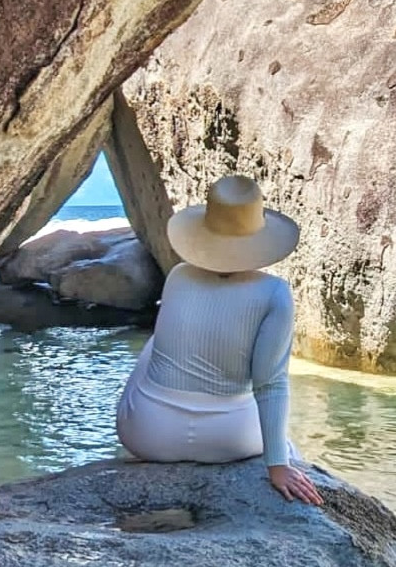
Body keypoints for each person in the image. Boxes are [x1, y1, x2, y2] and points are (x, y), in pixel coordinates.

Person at [116, 174, 323, 506]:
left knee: (153, 345)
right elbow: (270, 384)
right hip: (232, 440)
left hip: (150, 435)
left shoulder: (178, 277)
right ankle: (289, 460)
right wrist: (278, 464)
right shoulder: (275, 293)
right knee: (275, 414)